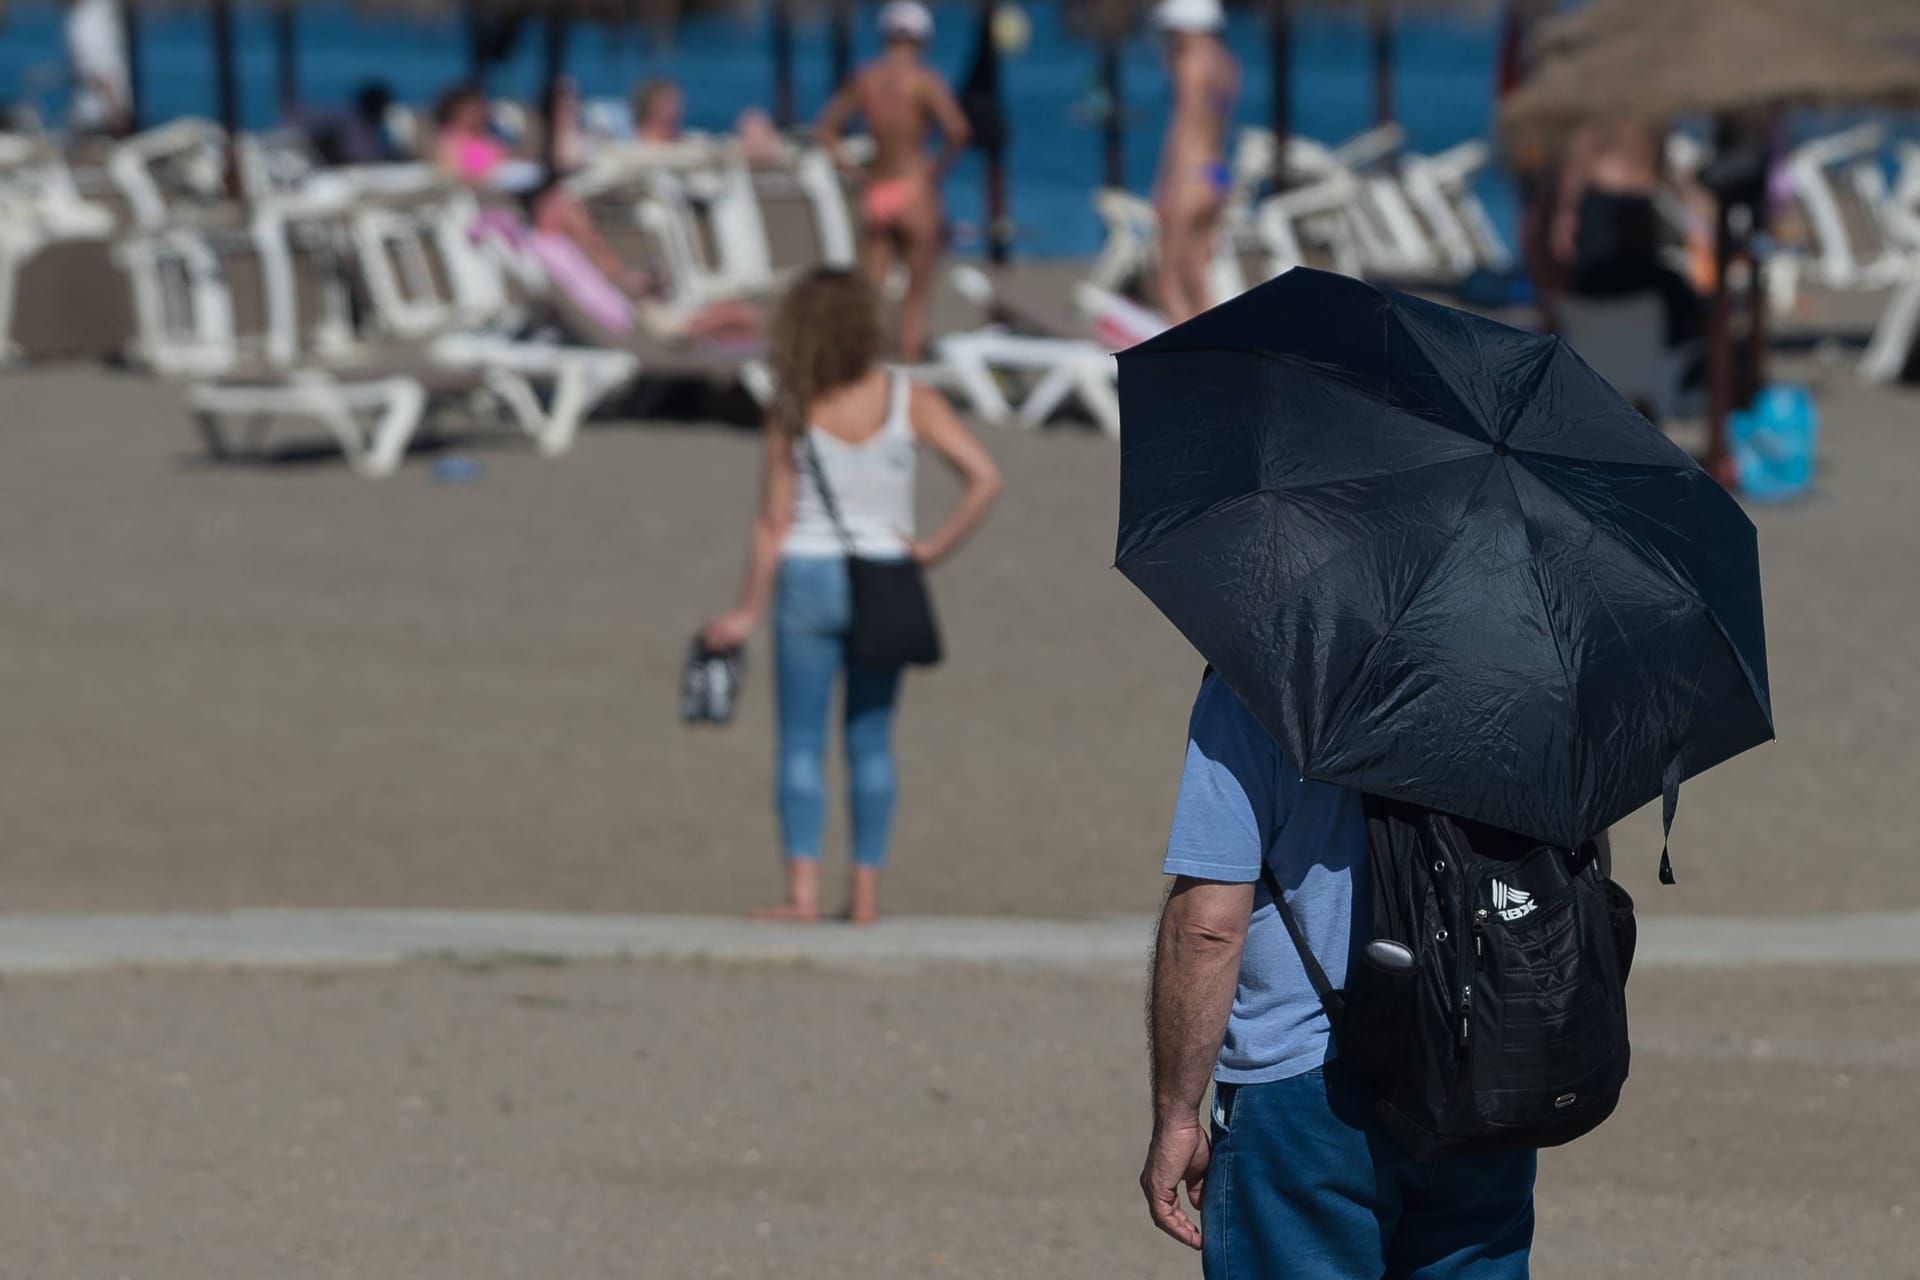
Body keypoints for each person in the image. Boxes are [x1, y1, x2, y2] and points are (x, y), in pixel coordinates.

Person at [1140, 672, 1537, 1278]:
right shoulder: (1528, 671)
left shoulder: (1261, 678)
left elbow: (1207, 928)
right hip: (1483, 1061)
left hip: (1306, 1085)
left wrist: (1176, 1113)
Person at [702, 269, 1001, 924]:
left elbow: (771, 521)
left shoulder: (794, 404)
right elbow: (983, 476)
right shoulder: (908, 396)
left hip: (808, 575)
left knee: (801, 743)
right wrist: (933, 548)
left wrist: (746, 609)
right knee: (871, 741)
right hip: (885, 574)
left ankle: (802, 892)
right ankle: (863, 892)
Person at [813, 1, 972, 360]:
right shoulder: (924, 81)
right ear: (922, 38)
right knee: (916, 292)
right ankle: (908, 362)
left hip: (877, 187)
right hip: (913, 186)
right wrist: (935, 170)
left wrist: (852, 169)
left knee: (871, 291)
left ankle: (864, 361)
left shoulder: (866, 77)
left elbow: (825, 130)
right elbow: (958, 131)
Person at [431, 85, 648, 298]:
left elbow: (512, 160)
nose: (483, 110)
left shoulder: (484, 138)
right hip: (486, 207)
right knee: (567, 210)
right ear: (458, 111)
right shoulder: (450, 142)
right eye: (475, 106)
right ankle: (613, 276)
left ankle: (610, 274)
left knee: (569, 209)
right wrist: (488, 175)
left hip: (513, 199)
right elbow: (453, 178)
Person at [1552, 116, 1706, 346]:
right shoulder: (1668, 284)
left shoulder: (1589, 282)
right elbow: (1692, 333)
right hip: (1657, 376)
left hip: (1596, 369)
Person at [1150, 0, 1238, 323]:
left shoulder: (1190, 63)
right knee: (1199, 279)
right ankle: (1214, 355)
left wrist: (1164, 185)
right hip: (1217, 172)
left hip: (1192, 173)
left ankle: (1187, 363)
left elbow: (1183, 125)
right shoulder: (1226, 63)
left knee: (1168, 280)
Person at [65, 0, 131, 138]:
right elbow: (101, 74)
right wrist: (117, 113)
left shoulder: (86, 20)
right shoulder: (90, 21)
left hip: (96, 116)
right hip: (100, 117)